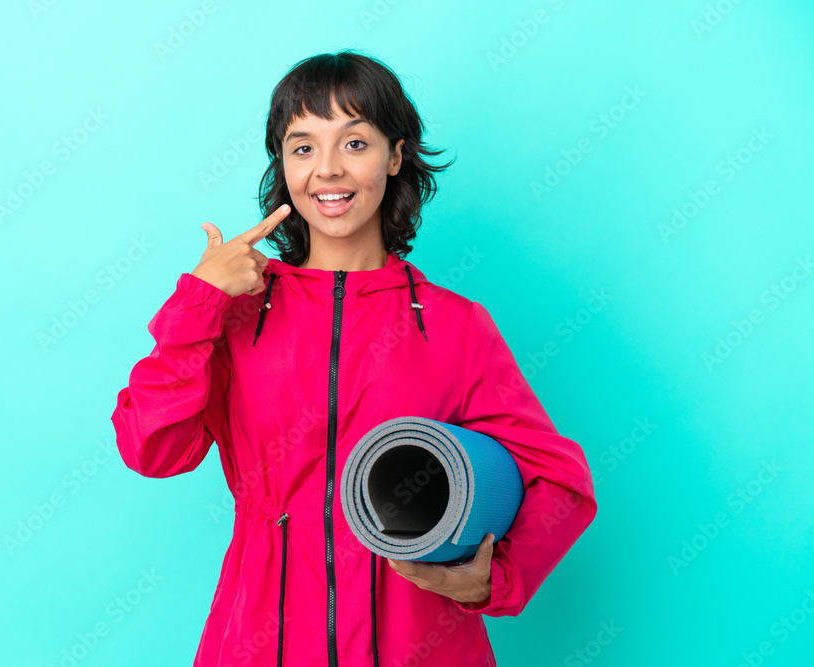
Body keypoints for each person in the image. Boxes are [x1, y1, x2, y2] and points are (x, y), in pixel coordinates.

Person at [111, 50, 597, 667]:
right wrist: (198, 302)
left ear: (395, 156)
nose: (328, 170)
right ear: (283, 164)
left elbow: (560, 480)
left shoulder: (455, 325)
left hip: (420, 644)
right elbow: (151, 449)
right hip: (260, 641)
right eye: (303, 147)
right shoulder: (232, 315)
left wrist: (493, 579)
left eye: (355, 143)